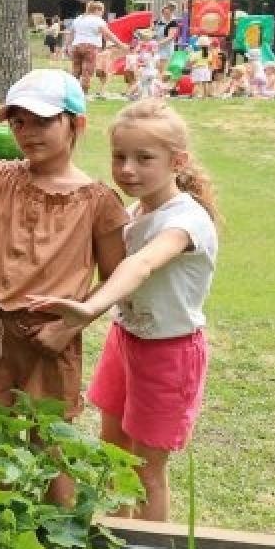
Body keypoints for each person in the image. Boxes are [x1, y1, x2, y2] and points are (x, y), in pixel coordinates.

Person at [0, 69, 126, 505]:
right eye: (17, 122)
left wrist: (69, 328)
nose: (27, 132)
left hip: (49, 335)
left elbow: (115, 277)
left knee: (50, 442)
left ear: (76, 123)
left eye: (42, 120)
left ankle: (61, 535)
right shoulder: (4, 177)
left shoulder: (98, 201)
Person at [27, 100, 218, 522]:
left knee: (147, 471)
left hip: (169, 354)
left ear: (177, 162)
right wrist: (76, 315)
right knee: (115, 452)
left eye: (144, 158)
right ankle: (120, 537)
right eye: (119, 157)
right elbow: (115, 275)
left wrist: (90, 308)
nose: (127, 169)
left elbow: (141, 264)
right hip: (126, 341)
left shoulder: (187, 221)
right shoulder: (136, 212)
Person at [69, 1, 125, 93]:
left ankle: (72, 91)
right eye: (102, 11)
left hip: (76, 46)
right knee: (87, 70)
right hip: (90, 46)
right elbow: (108, 34)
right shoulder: (97, 20)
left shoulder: (79, 18)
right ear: (96, 10)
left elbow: (71, 33)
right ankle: (84, 92)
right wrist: (120, 44)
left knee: (76, 69)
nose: (102, 13)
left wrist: (67, 46)